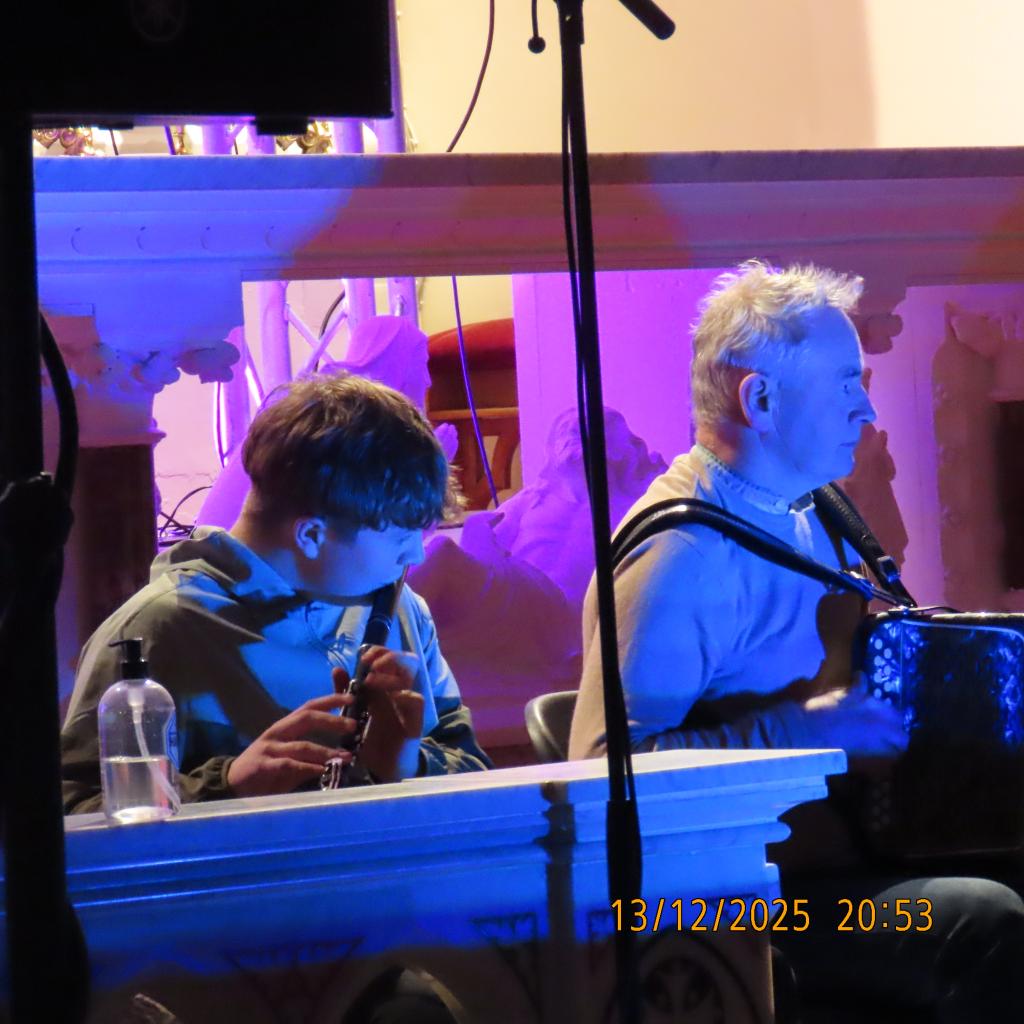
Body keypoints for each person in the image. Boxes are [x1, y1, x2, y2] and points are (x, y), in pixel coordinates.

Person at [568, 261, 1024, 1020]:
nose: (865, 405)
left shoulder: (815, 511)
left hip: (844, 856)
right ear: (761, 399)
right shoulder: (679, 556)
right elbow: (603, 774)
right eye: (845, 383)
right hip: (751, 903)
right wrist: (802, 732)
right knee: (981, 920)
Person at [62, 373, 491, 815]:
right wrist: (227, 784)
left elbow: (474, 767)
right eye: (401, 537)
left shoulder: (401, 610)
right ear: (311, 535)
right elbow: (70, 811)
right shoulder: (156, 630)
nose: (416, 555)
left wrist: (410, 764)